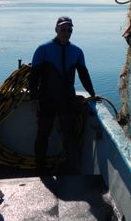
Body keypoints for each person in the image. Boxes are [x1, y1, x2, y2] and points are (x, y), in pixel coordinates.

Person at [29, 16, 96, 174]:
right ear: (56, 29)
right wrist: (33, 99)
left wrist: (93, 94)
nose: (66, 32)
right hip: (46, 98)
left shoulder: (77, 51)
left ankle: (71, 168)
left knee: (69, 134)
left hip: (67, 99)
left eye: (69, 30)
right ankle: (41, 169)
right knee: (43, 133)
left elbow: (84, 75)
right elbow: (33, 77)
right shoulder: (43, 49)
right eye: (63, 29)